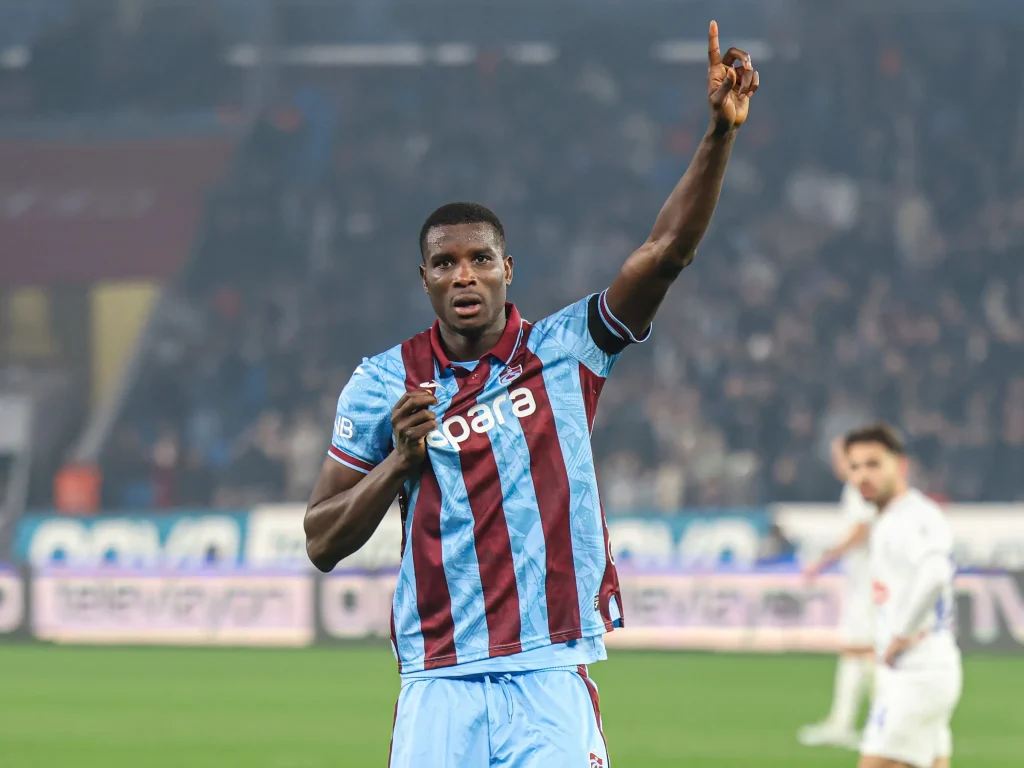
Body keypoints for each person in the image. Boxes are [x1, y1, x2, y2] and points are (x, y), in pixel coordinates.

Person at [303, 21, 759, 768]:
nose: (463, 276)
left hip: (551, 674)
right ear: (423, 279)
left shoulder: (566, 350)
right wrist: (398, 464)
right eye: (443, 264)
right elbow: (321, 541)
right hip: (439, 683)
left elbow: (666, 253)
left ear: (507, 267)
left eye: (479, 259)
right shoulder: (383, 383)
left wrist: (718, 136)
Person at [844, 424, 961, 768]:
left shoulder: (913, 518)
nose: (863, 475)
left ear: (901, 466)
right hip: (922, 670)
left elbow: (936, 572)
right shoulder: (889, 519)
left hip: (918, 673)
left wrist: (900, 633)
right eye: (855, 467)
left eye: (874, 464)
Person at [798, 436, 878, 749]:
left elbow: (862, 530)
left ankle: (852, 723)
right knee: (863, 652)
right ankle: (862, 721)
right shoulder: (859, 488)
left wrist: (824, 559)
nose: (835, 463)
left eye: (838, 456)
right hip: (864, 582)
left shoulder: (861, 487)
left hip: (872, 584)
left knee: (860, 650)